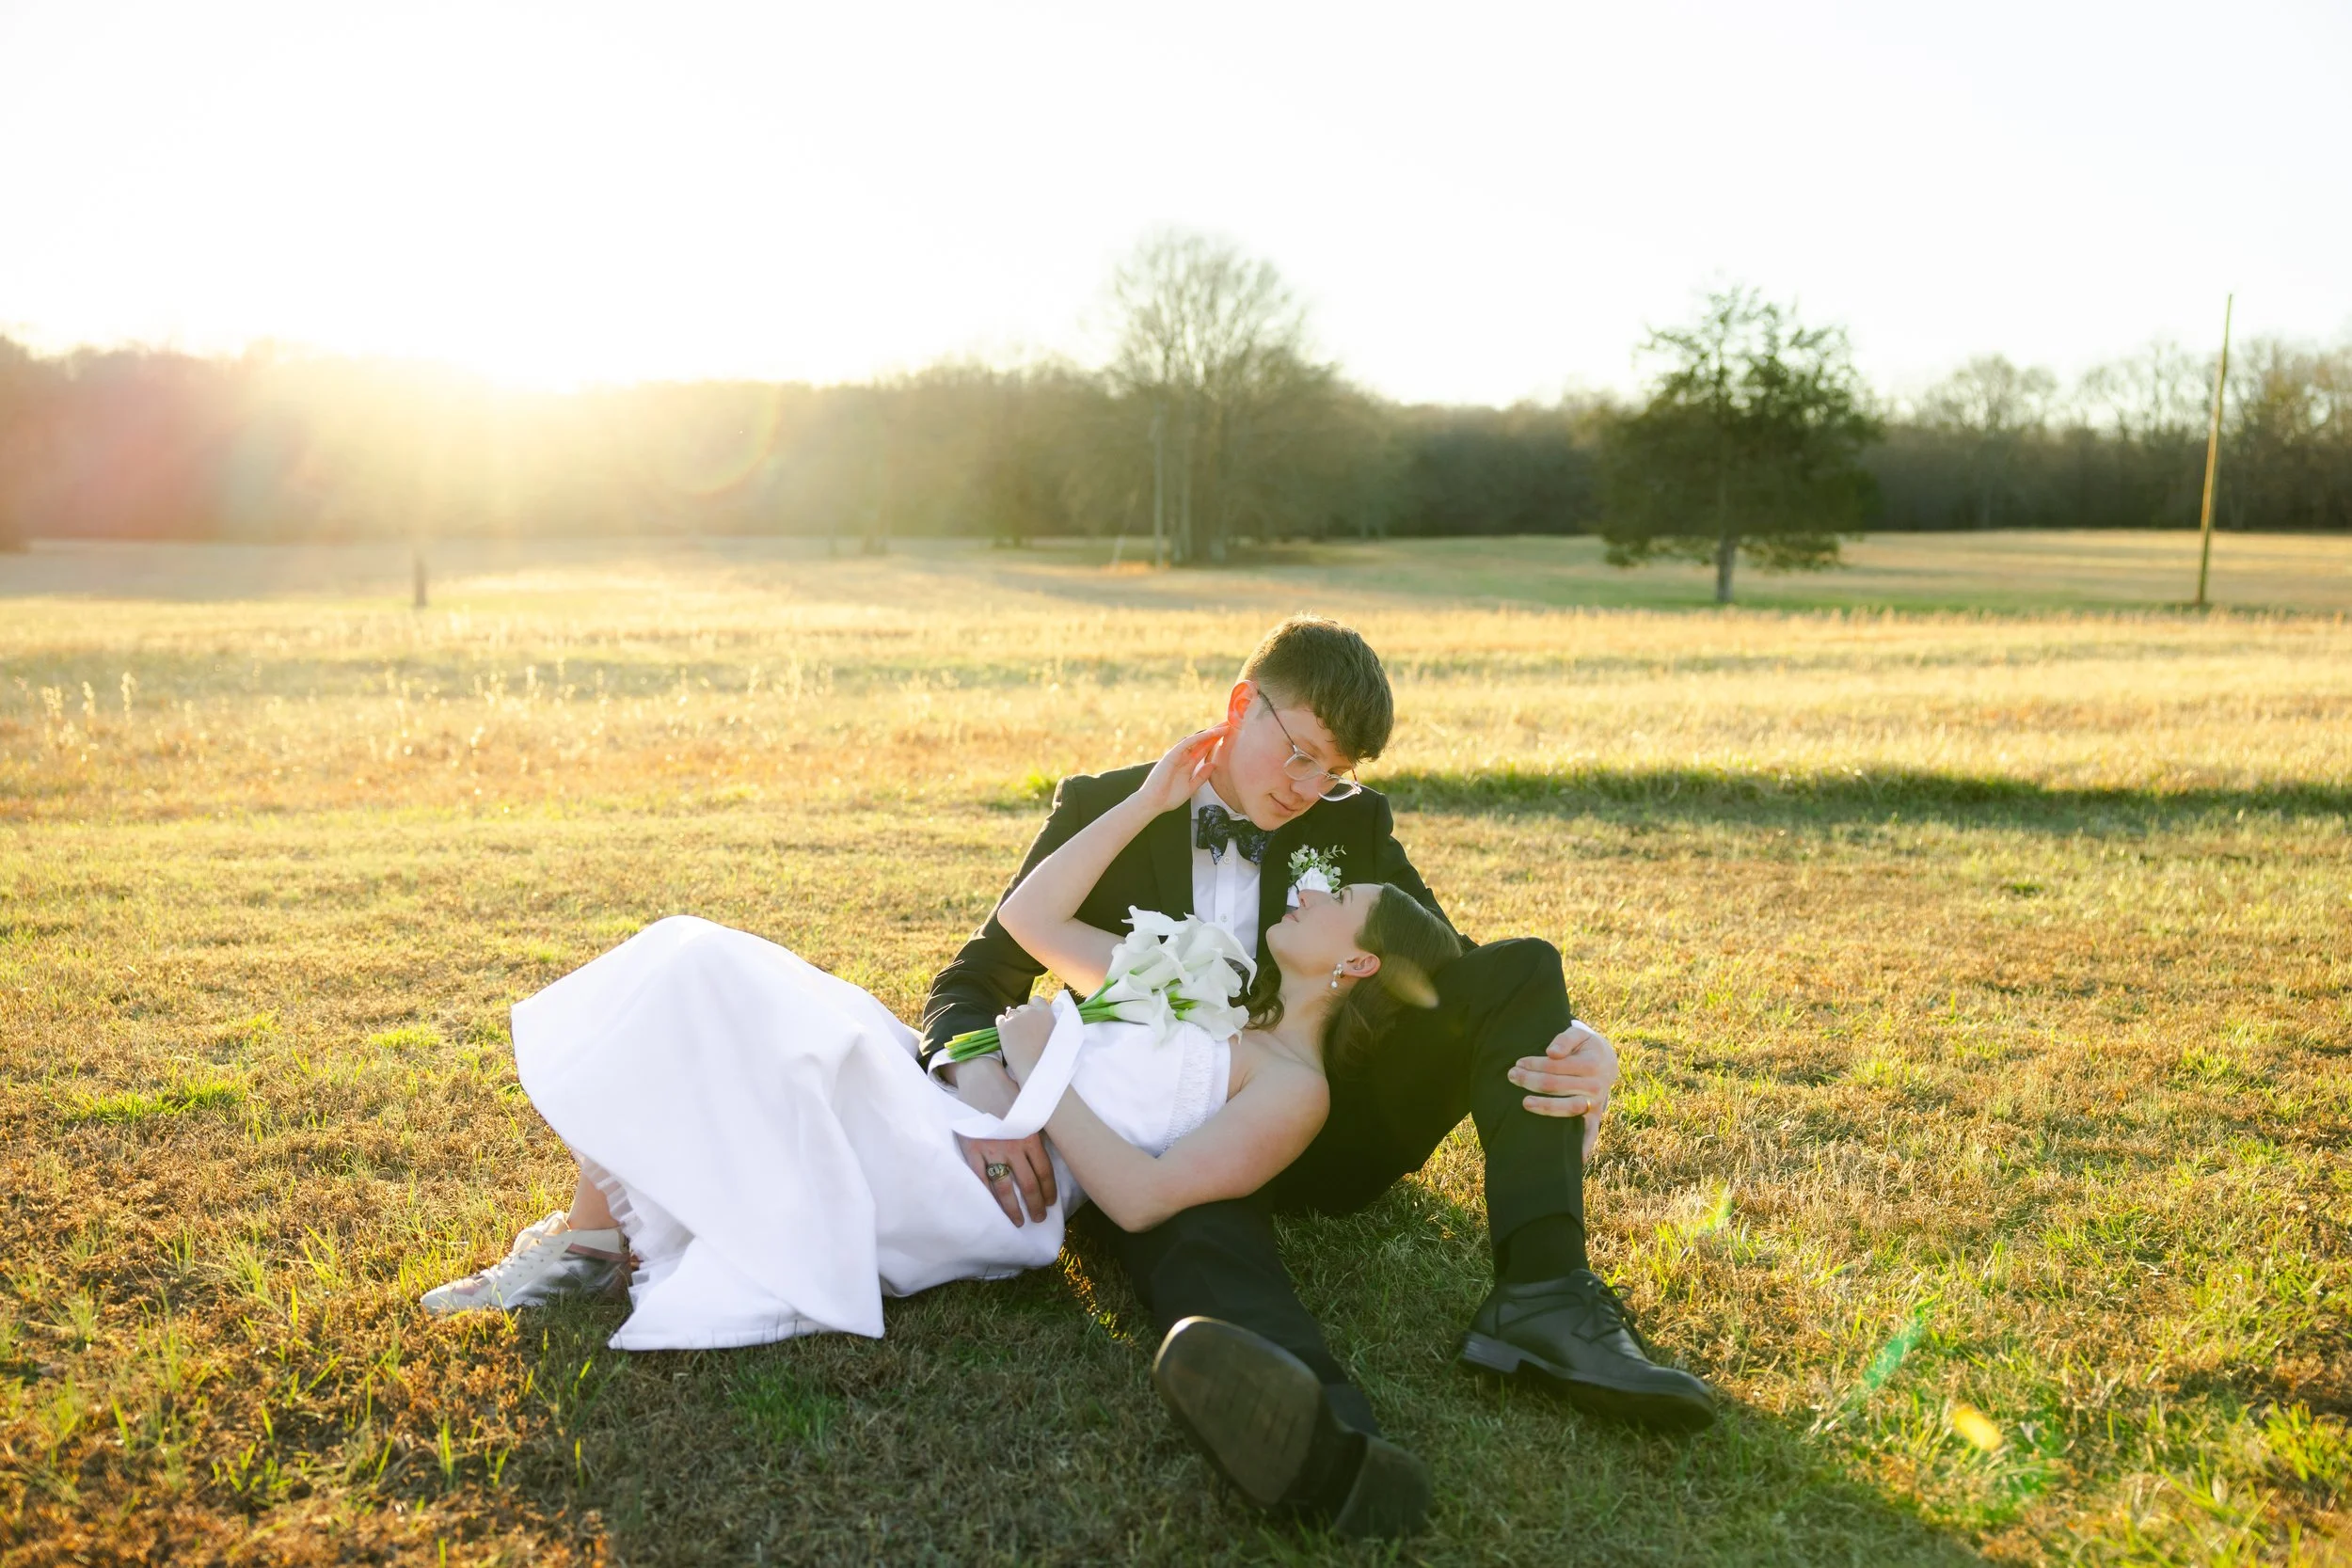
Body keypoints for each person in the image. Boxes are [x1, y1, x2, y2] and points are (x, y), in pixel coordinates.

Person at [413, 727, 1444, 1497]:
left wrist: (1043, 1065)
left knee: (715, 988)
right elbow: (1030, 922)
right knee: (694, 958)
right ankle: (593, 1244)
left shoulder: (1290, 1089)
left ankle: (591, 1252)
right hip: (957, 1104)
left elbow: (1141, 1198)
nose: (1307, 892)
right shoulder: (1210, 982)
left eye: (1335, 902)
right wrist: (1145, 800)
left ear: (1355, 962)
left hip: (997, 1183)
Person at [923, 616, 1715, 1540]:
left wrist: (1579, 1038)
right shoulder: (1105, 802)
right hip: (1178, 1124)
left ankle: (1546, 1292)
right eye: (1298, 754)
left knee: (1521, 966)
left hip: (1324, 1117)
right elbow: (978, 977)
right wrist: (997, 1095)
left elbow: (1445, 966)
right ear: (1239, 705)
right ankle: (1333, 1448)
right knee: (1200, 1238)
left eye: (1329, 772)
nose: (1308, 789)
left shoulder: (1354, 824)